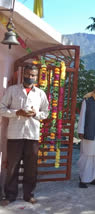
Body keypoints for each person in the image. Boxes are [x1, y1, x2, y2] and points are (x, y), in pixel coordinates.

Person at [0, 65, 49, 205]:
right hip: (15, 135)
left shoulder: (40, 93)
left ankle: (29, 194)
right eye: (28, 74)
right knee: (12, 167)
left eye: (33, 75)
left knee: (31, 167)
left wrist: (36, 114)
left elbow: (45, 112)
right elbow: (1, 108)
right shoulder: (12, 90)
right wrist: (16, 113)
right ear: (23, 75)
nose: (30, 77)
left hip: (32, 135)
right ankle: (10, 195)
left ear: (36, 76)